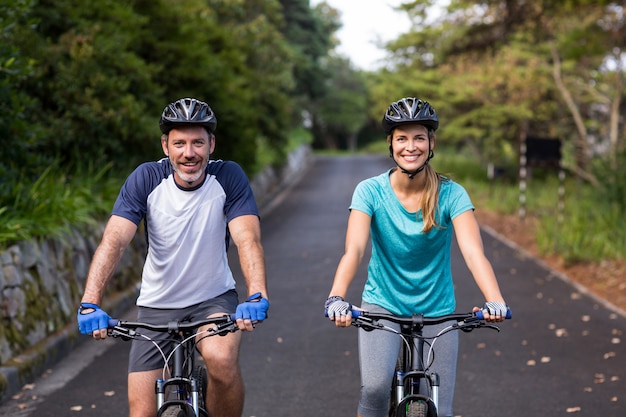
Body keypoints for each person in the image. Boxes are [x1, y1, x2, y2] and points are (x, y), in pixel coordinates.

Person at [77, 97, 269, 417]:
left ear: (211, 144)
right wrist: (90, 302)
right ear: (166, 146)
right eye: (179, 143)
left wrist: (257, 294)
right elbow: (114, 240)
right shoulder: (146, 179)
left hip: (213, 301)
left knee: (221, 361)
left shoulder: (228, 177)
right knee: (142, 413)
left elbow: (247, 238)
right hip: (156, 306)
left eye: (197, 142)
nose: (189, 153)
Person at [324, 97, 509, 417]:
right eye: (402, 138)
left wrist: (495, 300)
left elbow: (473, 252)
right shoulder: (369, 191)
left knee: (441, 407)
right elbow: (353, 251)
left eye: (419, 137)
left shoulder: (452, 193)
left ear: (431, 142)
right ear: (391, 144)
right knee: (376, 390)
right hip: (382, 305)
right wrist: (336, 297)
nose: (411, 146)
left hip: (438, 308)